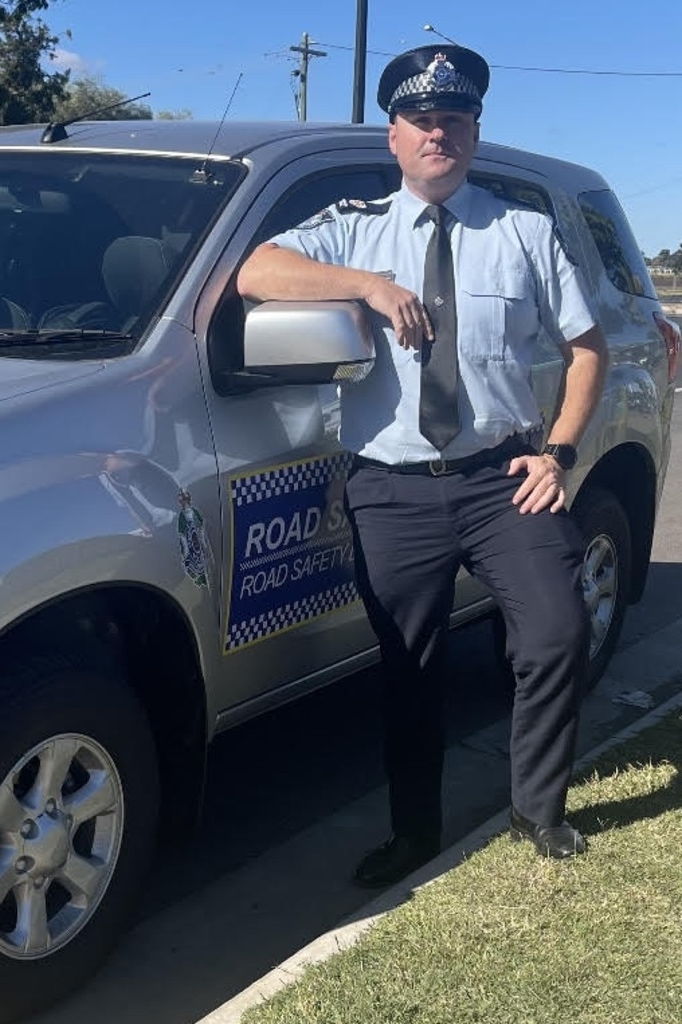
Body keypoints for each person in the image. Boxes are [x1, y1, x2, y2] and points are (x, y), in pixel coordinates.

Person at [237, 43, 608, 889]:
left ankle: (537, 811)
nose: (439, 132)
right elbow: (255, 273)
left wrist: (559, 451)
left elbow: (586, 350)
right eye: (421, 120)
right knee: (409, 668)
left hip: (503, 477)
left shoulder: (525, 230)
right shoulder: (353, 227)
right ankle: (415, 835)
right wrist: (366, 286)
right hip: (391, 490)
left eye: (455, 119)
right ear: (394, 137)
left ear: (474, 132)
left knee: (557, 631)